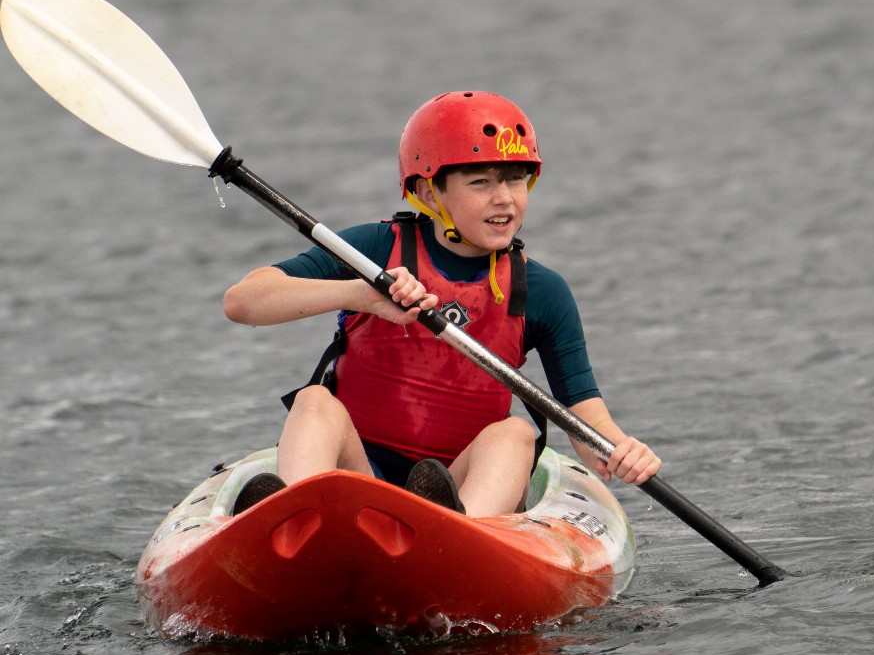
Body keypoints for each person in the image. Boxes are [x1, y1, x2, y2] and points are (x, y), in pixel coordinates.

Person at [223, 91, 661, 516]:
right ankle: (298, 519)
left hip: (462, 485)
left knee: (515, 432)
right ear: (431, 194)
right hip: (359, 477)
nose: (504, 197)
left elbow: (585, 418)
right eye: (481, 182)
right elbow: (244, 302)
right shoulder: (373, 251)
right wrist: (363, 295)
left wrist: (620, 449)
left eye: (514, 179)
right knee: (314, 402)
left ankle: (454, 532)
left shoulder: (542, 290)